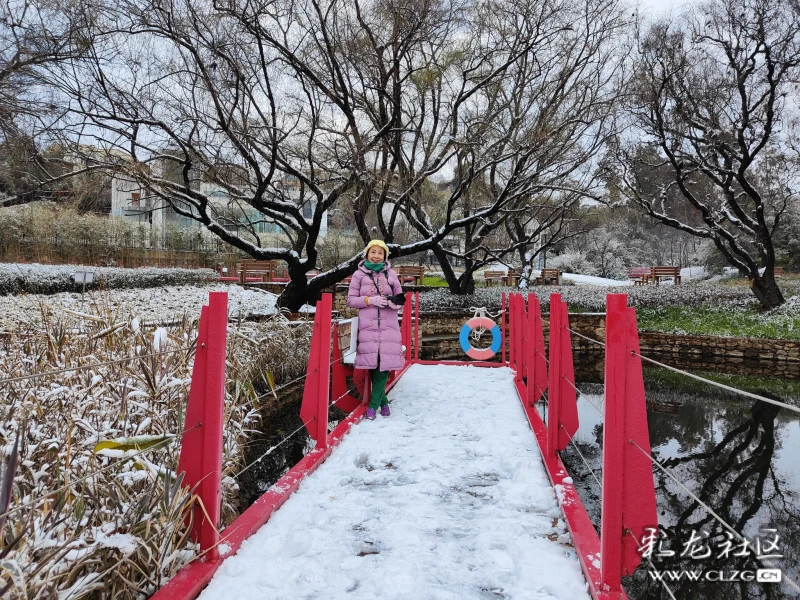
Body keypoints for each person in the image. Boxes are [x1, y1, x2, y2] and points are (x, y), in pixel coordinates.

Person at [347, 239, 405, 420]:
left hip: (389, 326)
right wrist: (369, 300)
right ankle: (384, 402)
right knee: (373, 362)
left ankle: (373, 405)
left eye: (380, 253)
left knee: (384, 362)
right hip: (369, 327)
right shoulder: (358, 275)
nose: (376, 255)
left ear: (385, 256)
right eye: (373, 252)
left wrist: (392, 302)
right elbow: (351, 300)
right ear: (366, 254)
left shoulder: (391, 275)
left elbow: (400, 300)